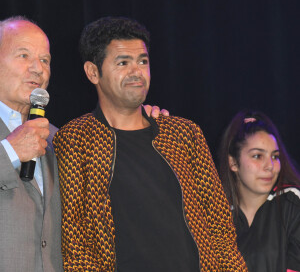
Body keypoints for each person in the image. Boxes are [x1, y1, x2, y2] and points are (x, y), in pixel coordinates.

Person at [53, 16, 247, 272]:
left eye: (142, 61)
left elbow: (220, 224)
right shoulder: (75, 140)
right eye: (123, 62)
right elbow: (76, 241)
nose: (137, 72)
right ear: (93, 72)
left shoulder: (183, 134)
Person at [0, 16, 63, 271]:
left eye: (45, 60)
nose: (38, 68)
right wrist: (10, 152)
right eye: (24, 55)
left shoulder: (57, 139)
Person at [218, 110, 300, 272]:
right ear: (233, 163)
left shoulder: (292, 203)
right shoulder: (217, 217)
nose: (270, 165)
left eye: (275, 156)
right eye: (257, 156)